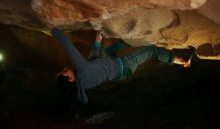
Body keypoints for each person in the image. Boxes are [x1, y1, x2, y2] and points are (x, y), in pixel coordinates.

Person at [51, 28, 191, 104]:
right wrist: (54, 30)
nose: (65, 69)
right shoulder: (82, 72)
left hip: (113, 68)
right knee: (151, 50)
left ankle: (130, 39)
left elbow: (93, 60)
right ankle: (182, 61)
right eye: (64, 72)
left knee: (106, 51)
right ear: (70, 79)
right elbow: (68, 46)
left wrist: (98, 40)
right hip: (125, 67)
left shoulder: (83, 81)